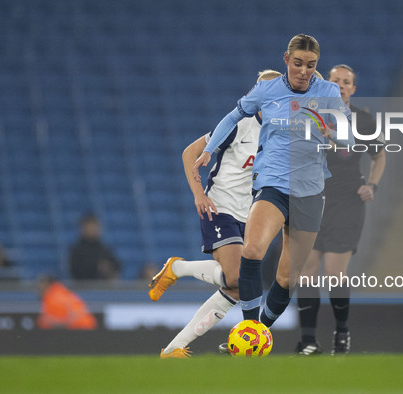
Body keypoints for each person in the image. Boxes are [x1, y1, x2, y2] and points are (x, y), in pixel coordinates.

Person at [193, 34, 351, 332]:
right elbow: (232, 117)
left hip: (311, 193)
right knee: (252, 251)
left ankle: (260, 331)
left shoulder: (329, 93)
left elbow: (349, 139)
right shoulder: (268, 91)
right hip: (273, 185)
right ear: (286, 60)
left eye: (311, 65)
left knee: (289, 277)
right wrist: (209, 149)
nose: (304, 70)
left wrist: (334, 135)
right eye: (298, 63)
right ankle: (250, 331)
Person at [148, 70, 282, 358]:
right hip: (219, 207)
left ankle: (173, 348)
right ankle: (178, 270)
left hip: (251, 215)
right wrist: (199, 194)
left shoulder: (281, 133)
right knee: (238, 278)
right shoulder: (238, 124)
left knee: (237, 288)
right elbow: (189, 153)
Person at [295, 64, 387, 355]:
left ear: (353, 89)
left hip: (347, 202)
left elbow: (379, 155)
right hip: (312, 200)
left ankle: (342, 334)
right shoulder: (309, 116)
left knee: (335, 273)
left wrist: (372, 186)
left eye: (347, 82)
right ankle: (308, 339)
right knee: (307, 271)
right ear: (327, 85)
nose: (342, 86)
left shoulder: (363, 120)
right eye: (336, 81)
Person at [68, 214, 121, 280]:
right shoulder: (77, 250)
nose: (93, 229)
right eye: (90, 227)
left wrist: (108, 267)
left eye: (95, 226)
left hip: (103, 286)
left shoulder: (103, 248)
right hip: (85, 287)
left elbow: (117, 265)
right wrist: (97, 267)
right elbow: (76, 270)